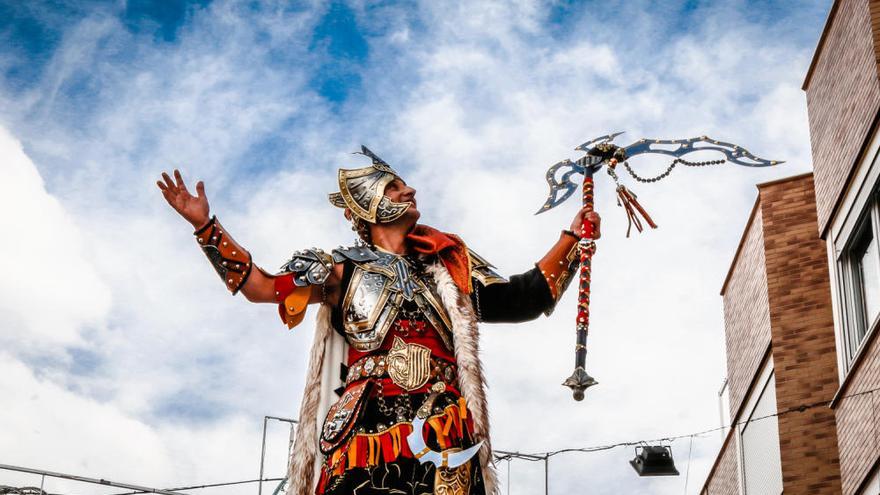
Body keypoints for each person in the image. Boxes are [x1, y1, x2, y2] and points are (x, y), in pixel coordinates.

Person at [156, 147, 600, 495]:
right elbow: (261, 288)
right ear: (368, 205)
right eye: (395, 189)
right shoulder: (338, 269)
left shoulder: (448, 270)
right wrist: (206, 227)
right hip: (368, 428)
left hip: (446, 426)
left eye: (405, 187)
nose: (410, 193)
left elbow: (524, 298)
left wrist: (571, 238)